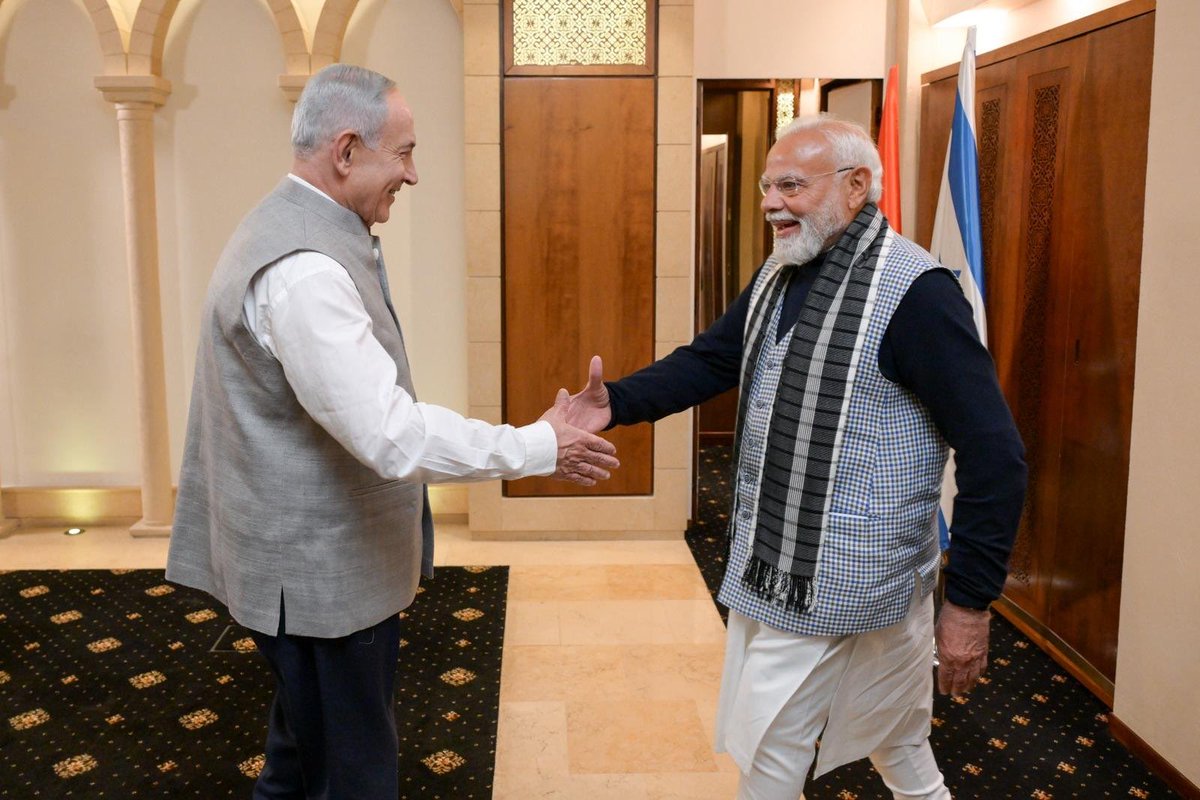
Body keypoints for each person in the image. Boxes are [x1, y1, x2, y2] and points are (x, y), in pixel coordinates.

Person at [165, 64, 619, 799]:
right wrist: (539, 445)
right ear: (346, 150)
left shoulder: (292, 227)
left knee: (300, 758)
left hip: (302, 573)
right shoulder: (306, 269)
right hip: (316, 584)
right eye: (403, 152)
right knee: (352, 775)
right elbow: (392, 437)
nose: (413, 175)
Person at [561, 115, 1026, 799]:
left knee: (772, 751)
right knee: (897, 740)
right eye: (765, 187)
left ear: (856, 186)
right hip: (782, 560)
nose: (770, 202)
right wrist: (617, 403)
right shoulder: (785, 269)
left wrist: (971, 603)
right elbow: (714, 358)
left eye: (790, 185)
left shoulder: (918, 294)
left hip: (846, 576)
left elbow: (996, 454)